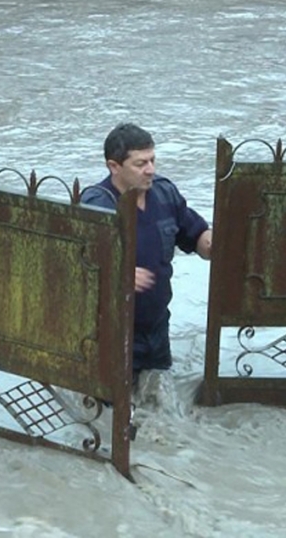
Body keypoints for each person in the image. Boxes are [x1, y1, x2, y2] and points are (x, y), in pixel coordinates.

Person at [81, 123, 212, 384]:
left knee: (157, 399)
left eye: (152, 160)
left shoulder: (164, 193)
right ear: (114, 166)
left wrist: (213, 243)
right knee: (109, 412)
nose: (150, 169)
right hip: (110, 332)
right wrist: (121, 273)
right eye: (140, 164)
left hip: (156, 329)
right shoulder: (97, 205)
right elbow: (79, 265)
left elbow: (196, 235)